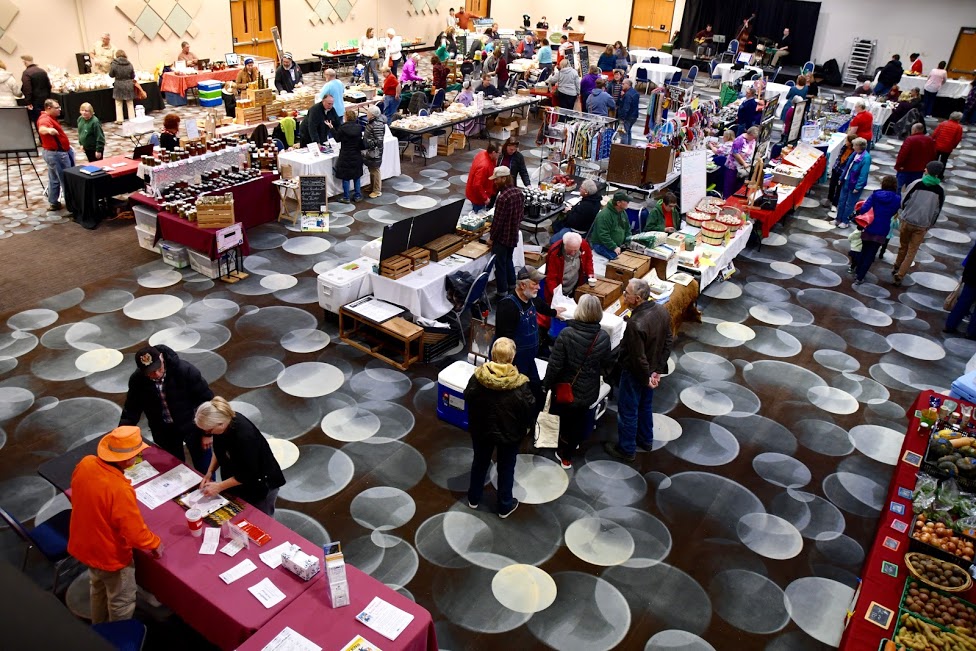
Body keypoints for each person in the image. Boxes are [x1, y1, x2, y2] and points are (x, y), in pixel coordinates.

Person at [67, 426, 162, 624]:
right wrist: (154, 543)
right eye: (137, 454)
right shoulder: (119, 489)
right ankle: (115, 639)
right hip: (110, 555)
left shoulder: (86, 463)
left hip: (84, 544)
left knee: (98, 589)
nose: (138, 457)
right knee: (121, 601)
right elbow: (134, 532)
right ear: (126, 459)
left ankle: (98, 628)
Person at [464, 338, 535, 518]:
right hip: (510, 435)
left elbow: (468, 397)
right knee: (506, 468)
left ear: (492, 354)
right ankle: (504, 505)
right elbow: (529, 409)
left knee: (480, 463)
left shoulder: (477, 377)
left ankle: (473, 498)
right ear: (512, 357)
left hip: (481, 431)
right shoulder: (521, 384)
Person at [605, 278, 672, 462]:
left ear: (638, 298)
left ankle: (626, 449)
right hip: (650, 372)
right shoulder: (661, 310)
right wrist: (656, 372)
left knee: (628, 410)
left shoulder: (636, 324)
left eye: (627, 293)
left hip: (635, 374)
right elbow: (668, 342)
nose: (624, 295)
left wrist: (646, 378)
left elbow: (638, 357)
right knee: (645, 406)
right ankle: (645, 440)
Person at [543, 293, 612, 468]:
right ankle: (572, 447)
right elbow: (607, 364)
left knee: (564, 422)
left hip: (567, 390)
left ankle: (564, 453)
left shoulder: (566, 334)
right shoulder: (603, 337)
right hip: (589, 389)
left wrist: (547, 385)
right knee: (579, 420)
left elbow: (555, 365)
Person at [120, 344, 214, 473]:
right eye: (151, 372)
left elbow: (206, 401)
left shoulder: (186, 371)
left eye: (158, 368)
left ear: (162, 358)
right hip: (164, 432)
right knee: (173, 469)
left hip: (193, 426)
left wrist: (207, 433)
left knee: (204, 467)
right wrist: (122, 437)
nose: (157, 374)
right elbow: (131, 410)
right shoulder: (137, 380)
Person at [194, 398, 286, 517]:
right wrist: (209, 472)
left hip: (260, 485)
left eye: (210, 430)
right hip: (238, 481)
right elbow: (218, 451)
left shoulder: (244, 436)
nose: (209, 433)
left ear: (220, 423)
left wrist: (219, 486)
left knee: (260, 520)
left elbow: (248, 473)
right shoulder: (220, 427)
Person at [494, 266, 561, 405]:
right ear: (523, 285)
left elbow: (542, 306)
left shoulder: (531, 298)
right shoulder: (508, 306)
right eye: (535, 283)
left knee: (536, 390)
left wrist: (554, 313)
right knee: (517, 399)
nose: (539, 287)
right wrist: (510, 366)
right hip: (514, 364)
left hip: (529, 360)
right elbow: (504, 339)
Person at [893, 160, 945, 285]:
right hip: (923, 225)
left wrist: (905, 212)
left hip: (908, 220)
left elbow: (904, 200)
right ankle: (900, 275)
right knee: (912, 251)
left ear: (928, 170)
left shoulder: (917, 184)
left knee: (903, 246)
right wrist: (930, 223)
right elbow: (937, 210)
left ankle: (896, 265)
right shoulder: (940, 191)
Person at [852, 175, 900, 285]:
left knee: (864, 249)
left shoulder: (875, 195)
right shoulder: (897, 199)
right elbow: (893, 212)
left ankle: (857, 270)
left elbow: (864, 209)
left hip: (869, 226)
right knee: (871, 253)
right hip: (883, 229)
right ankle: (860, 276)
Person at [487, 166, 523, 296]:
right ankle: (512, 286)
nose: (495, 182)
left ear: (504, 178)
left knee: (500, 266)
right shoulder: (518, 192)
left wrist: (491, 238)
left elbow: (498, 221)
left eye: (496, 179)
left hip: (502, 239)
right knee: (509, 260)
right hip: (513, 235)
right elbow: (520, 215)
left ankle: (502, 292)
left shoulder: (503, 197)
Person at [37, 99, 72, 212]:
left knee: (54, 178)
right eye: (57, 108)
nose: (59, 109)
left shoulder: (49, 117)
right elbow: (42, 129)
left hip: (52, 153)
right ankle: (71, 205)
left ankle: (53, 202)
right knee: (66, 180)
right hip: (56, 155)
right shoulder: (45, 119)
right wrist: (49, 130)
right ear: (48, 108)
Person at [834, 137, 871, 228]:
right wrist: (842, 178)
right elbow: (847, 167)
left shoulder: (866, 158)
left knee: (850, 203)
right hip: (847, 180)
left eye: (854, 145)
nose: (853, 147)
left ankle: (845, 221)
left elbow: (863, 174)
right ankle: (838, 219)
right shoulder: (855, 153)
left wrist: (858, 187)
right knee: (842, 201)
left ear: (859, 146)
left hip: (854, 184)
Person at [945, 241, 976, 338]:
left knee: (963, 302)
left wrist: (965, 274)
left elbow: (971, 256)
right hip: (972, 277)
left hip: (972, 277)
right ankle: (972, 332)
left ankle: (950, 325)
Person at [588, 191, 632, 260]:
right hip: (601, 245)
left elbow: (627, 229)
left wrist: (628, 242)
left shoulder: (623, 212)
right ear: (618, 203)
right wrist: (614, 247)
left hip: (618, 245)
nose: (628, 203)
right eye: (626, 201)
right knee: (619, 261)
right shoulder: (605, 215)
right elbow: (603, 235)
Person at [334, 108, 365, 203]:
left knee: (346, 177)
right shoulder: (359, 127)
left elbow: (337, 139)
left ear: (346, 117)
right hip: (356, 154)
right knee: (356, 176)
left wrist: (331, 128)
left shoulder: (342, 128)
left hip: (345, 155)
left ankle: (346, 197)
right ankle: (358, 195)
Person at [895, 123, 936, 190]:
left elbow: (903, 154)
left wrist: (898, 165)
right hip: (920, 169)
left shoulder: (910, 139)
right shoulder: (929, 140)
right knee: (912, 187)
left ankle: (897, 199)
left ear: (914, 130)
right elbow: (933, 154)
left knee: (898, 187)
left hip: (906, 168)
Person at [724, 127, 758, 199]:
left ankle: (734, 199)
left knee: (738, 185)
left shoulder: (752, 140)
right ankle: (726, 199)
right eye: (754, 137)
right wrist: (744, 163)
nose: (754, 139)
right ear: (751, 135)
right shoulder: (739, 140)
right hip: (733, 166)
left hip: (743, 167)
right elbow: (735, 153)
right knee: (730, 185)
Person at [465, 142, 498, 212]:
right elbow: (477, 184)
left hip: (475, 192)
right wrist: (485, 198)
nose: (500, 155)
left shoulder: (482, 153)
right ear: (493, 152)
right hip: (478, 197)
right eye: (499, 153)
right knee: (478, 215)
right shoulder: (484, 166)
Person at [828, 133, 857, 210]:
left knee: (839, 189)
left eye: (846, 140)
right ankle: (829, 199)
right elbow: (839, 157)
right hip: (836, 168)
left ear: (850, 142)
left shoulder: (854, 153)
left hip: (843, 172)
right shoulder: (844, 147)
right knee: (832, 185)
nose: (845, 141)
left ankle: (835, 204)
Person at [363, 105, 386, 198]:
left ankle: (377, 190)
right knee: (371, 169)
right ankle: (372, 186)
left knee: (375, 170)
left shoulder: (377, 125)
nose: (366, 114)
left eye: (368, 113)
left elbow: (379, 141)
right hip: (371, 151)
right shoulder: (373, 122)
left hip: (375, 152)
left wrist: (368, 142)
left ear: (372, 115)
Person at [21, 55, 51, 124]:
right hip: (45, 99)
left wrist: (28, 101)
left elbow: (27, 88)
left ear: (25, 62)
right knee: (47, 117)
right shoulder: (42, 71)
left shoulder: (26, 73)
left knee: (38, 119)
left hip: (35, 100)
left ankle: (41, 134)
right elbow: (49, 85)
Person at [108, 49, 135, 124]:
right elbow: (133, 75)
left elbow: (111, 75)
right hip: (129, 84)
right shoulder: (129, 64)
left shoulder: (114, 64)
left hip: (118, 84)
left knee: (118, 103)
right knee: (130, 103)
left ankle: (120, 119)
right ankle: (132, 118)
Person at [615, 78, 640, 145]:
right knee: (628, 131)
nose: (621, 85)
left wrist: (622, 119)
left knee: (624, 133)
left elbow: (626, 108)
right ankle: (629, 146)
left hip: (628, 116)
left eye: (623, 84)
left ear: (628, 85)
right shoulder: (634, 92)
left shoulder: (628, 95)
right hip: (634, 116)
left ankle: (624, 148)